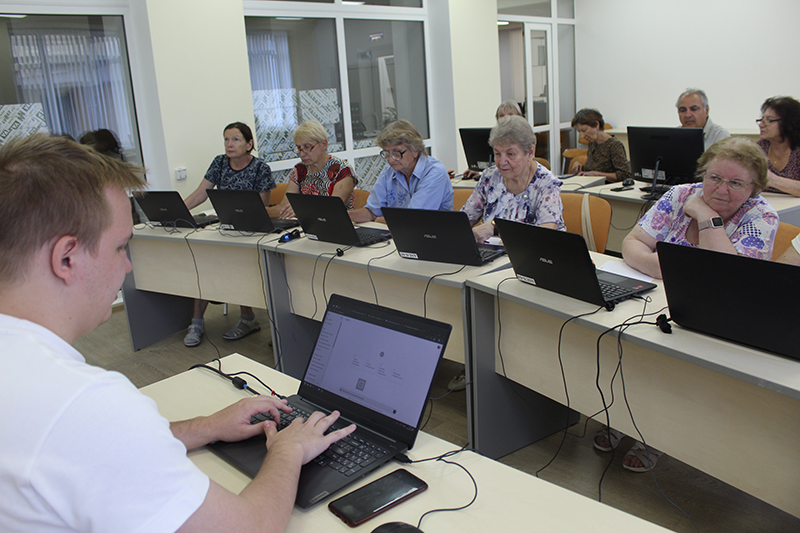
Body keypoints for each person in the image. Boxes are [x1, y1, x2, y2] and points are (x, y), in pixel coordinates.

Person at [0, 133, 356, 532]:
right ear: (66, 258)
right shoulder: (85, 405)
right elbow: (250, 527)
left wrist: (206, 427)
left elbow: (97, 443)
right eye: (119, 248)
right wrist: (289, 450)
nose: (128, 267)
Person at [610, 137, 778, 472]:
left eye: (735, 183)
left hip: (719, 319)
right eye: (714, 178)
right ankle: (621, 417)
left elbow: (727, 277)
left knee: (669, 362)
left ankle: (656, 436)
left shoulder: (761, 216)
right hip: (663, 301)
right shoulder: (679, 195)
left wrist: (705, 214)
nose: (721, 189)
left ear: (754, 188)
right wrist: (665, 270)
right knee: (624, 342)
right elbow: (632, 242)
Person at [183, 122, 275, 347]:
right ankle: (196, 322)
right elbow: (200, 194)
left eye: (235, 139)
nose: (229, 144)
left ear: (249, 144)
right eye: (226, 139)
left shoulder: (260, 168)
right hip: (226, 227)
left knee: (237, 264)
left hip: (251, 230)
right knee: (205, 264)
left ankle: (248, 318)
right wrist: (179, 210)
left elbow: (261, 207)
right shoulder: (219, 163)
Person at [461, 114, 566, 243]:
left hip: (535, 253)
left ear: (530, 152)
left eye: (510, 154)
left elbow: (546, 235)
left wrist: (496, 228)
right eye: (497, 153)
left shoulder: (546, 183)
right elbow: (464, 221)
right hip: (495, 254)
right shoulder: (490, 177)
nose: (502, 162)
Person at [349, 119, 453, 223]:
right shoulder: (389, 172)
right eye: (387, 153)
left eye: (397, 153)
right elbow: (372, 212)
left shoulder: (434, 173)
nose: (391, 159)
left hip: (429, 232)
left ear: (415, 150)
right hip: (397, 230)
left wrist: (379, 220)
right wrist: (347, 216)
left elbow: (413, 219)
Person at [271, 120, 357, 219]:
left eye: (308, 147)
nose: (302, 154)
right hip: (307, 223)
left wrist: (300, 210)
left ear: (324, 144)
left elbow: (333, 209)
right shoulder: (299, 170)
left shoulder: (342, 171)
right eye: (299, 148)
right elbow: (284, 207)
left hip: (335, 224)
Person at [462, 100, 524, 180]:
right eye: (502, 116)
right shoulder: (495, 140)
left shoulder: (524, 140)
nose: (506, 119)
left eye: (510, 115)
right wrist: (479, 170)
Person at [569, 108, 631, 183]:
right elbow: (594, 168)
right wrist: (580, 166)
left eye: (584, 130)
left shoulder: (614, 145)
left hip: (606, 186)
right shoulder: (592, 142)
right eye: (579, 132)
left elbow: (625, 175)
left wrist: (597, 174)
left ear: (597, 125)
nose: (582, 136)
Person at [757, 96, 800, 196]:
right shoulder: (759, 148)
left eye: (769, 120)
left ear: (788, 123)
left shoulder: (797, 150)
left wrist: (773, 180)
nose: (761, 125)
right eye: (762, 119)